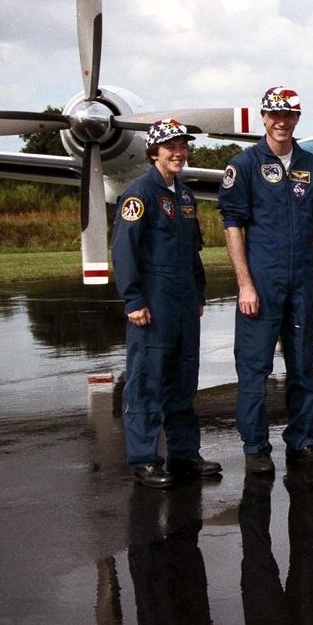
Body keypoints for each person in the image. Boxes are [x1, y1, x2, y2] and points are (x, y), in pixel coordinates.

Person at [219, 86, 313, 472]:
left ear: (298, 118)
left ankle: (303, 439)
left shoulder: (312, 166)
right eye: (274, 115)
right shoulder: (245, 164)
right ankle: (255, 447)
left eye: (289, 115)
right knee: (255, 366)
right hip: (263, 281)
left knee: (302, 362)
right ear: (264, 118)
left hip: (303, 279)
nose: (281, 122)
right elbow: (233, 226)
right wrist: (245, 284)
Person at [112, 117, 219, 488]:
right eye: (170, 146)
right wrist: (133, 299)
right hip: (154, 301)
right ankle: (144, 458)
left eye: (183, 146)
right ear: (154, 151)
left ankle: (185, 454)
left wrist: (199, 293)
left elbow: (193, 251)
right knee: (147, 379)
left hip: (185, 301)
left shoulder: (185, 196)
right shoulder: (138, 194)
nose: (178, 152)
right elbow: (124, 251)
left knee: (184, 380)